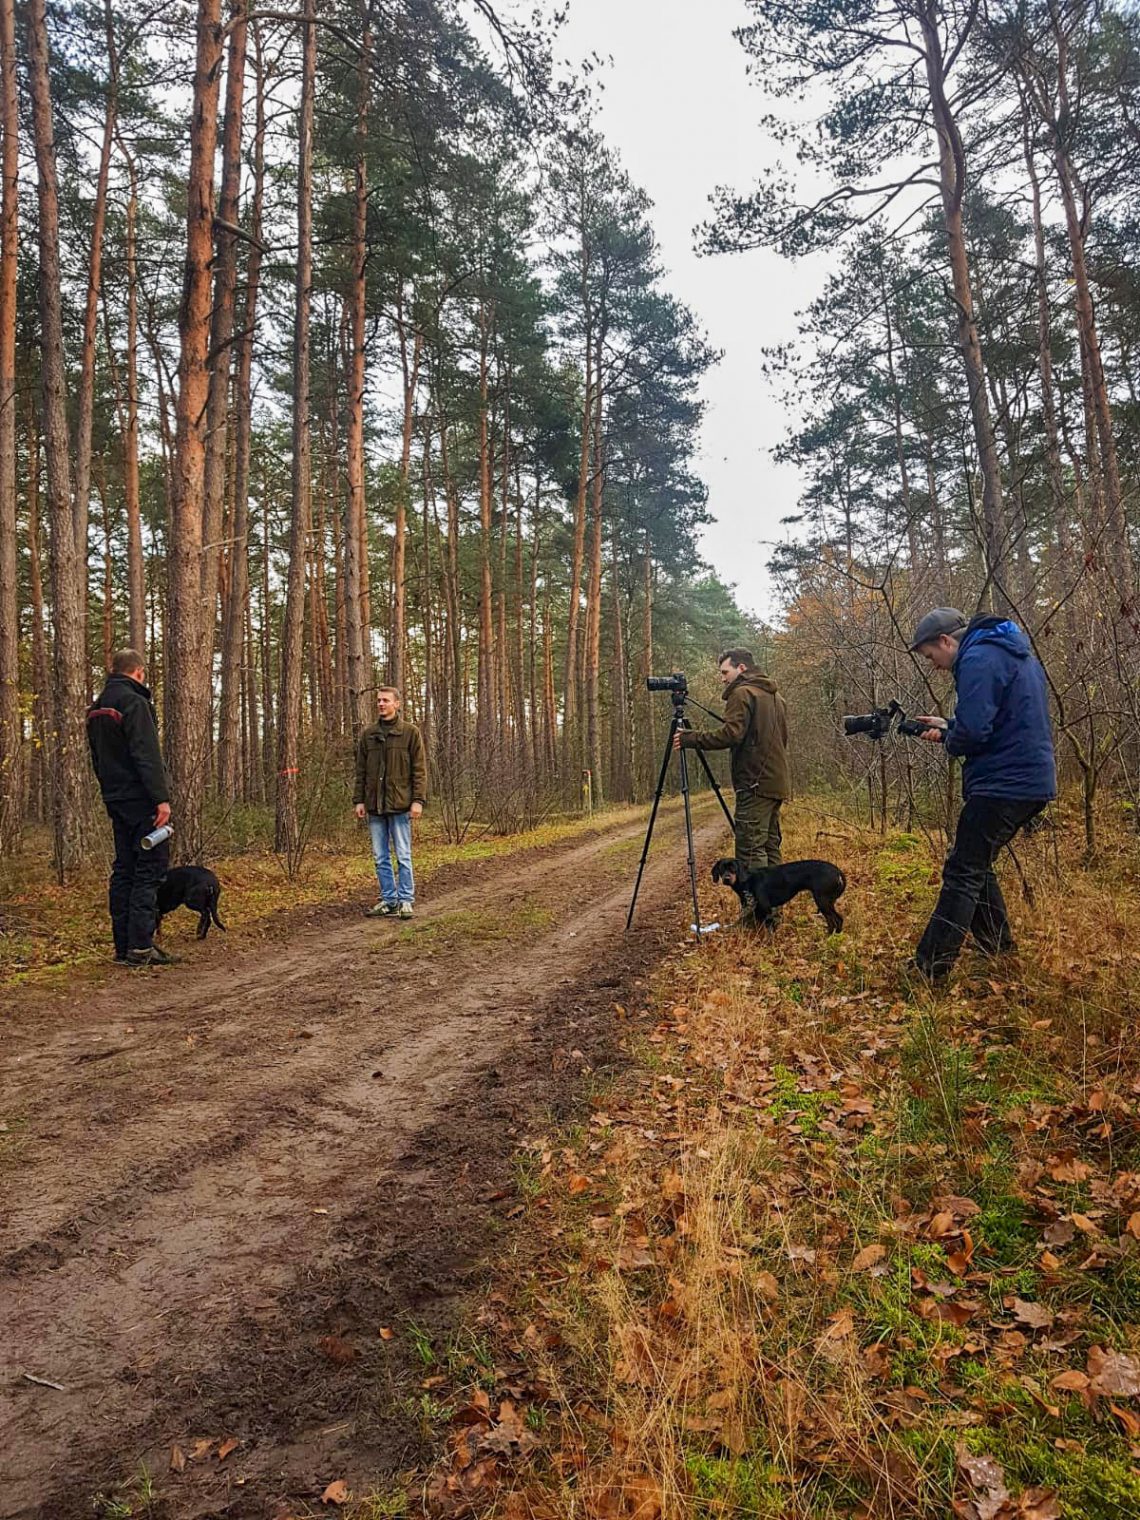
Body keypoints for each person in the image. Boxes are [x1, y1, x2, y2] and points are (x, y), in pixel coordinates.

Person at [909, 607, 1056, 980]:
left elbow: (974, 735)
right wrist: (949, 726)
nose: (935, 666)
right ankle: (997, 947)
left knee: (962, 871)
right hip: (1028, 781)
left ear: (946, 641)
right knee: (975, 863)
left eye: (931, 657)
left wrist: (953, 738)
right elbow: (999, 721)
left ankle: (929, 969)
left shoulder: (977, 657)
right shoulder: (1009, 652)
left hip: (1003, 784)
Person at [86, 649, 175, 967]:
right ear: (138, 672)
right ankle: (140, 947)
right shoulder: (135, 703)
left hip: (115, 799)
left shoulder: (97, 708)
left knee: (124, 869)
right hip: (141, 800)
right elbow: (146, 754)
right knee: (148, 870)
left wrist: (109, 792)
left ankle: (123, 947)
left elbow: (97, 759)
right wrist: (159, 798)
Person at [674, 647, 790, 878]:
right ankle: (772, 911)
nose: (722, 678)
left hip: (754, 784)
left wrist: (690, 738)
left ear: (741, 668)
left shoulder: (742, 693)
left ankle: (754, 912)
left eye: (725, 672)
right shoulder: (775, 697)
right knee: (769, 846)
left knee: (750, 851)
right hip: (776, 782)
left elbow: (731, 735)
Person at [352, 686, 427, 919]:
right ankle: (388, 900)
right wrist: (359, 800)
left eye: (386, 700)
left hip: (400, 804)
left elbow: (420, 770)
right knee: (380, 856)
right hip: (375, 805)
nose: (381, 704)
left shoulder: (410, 733)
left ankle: (405, 900)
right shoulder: (368, 734)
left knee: (403, 854)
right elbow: (361, 771)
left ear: (397, 704)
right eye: (379, 701)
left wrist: (418, 800)